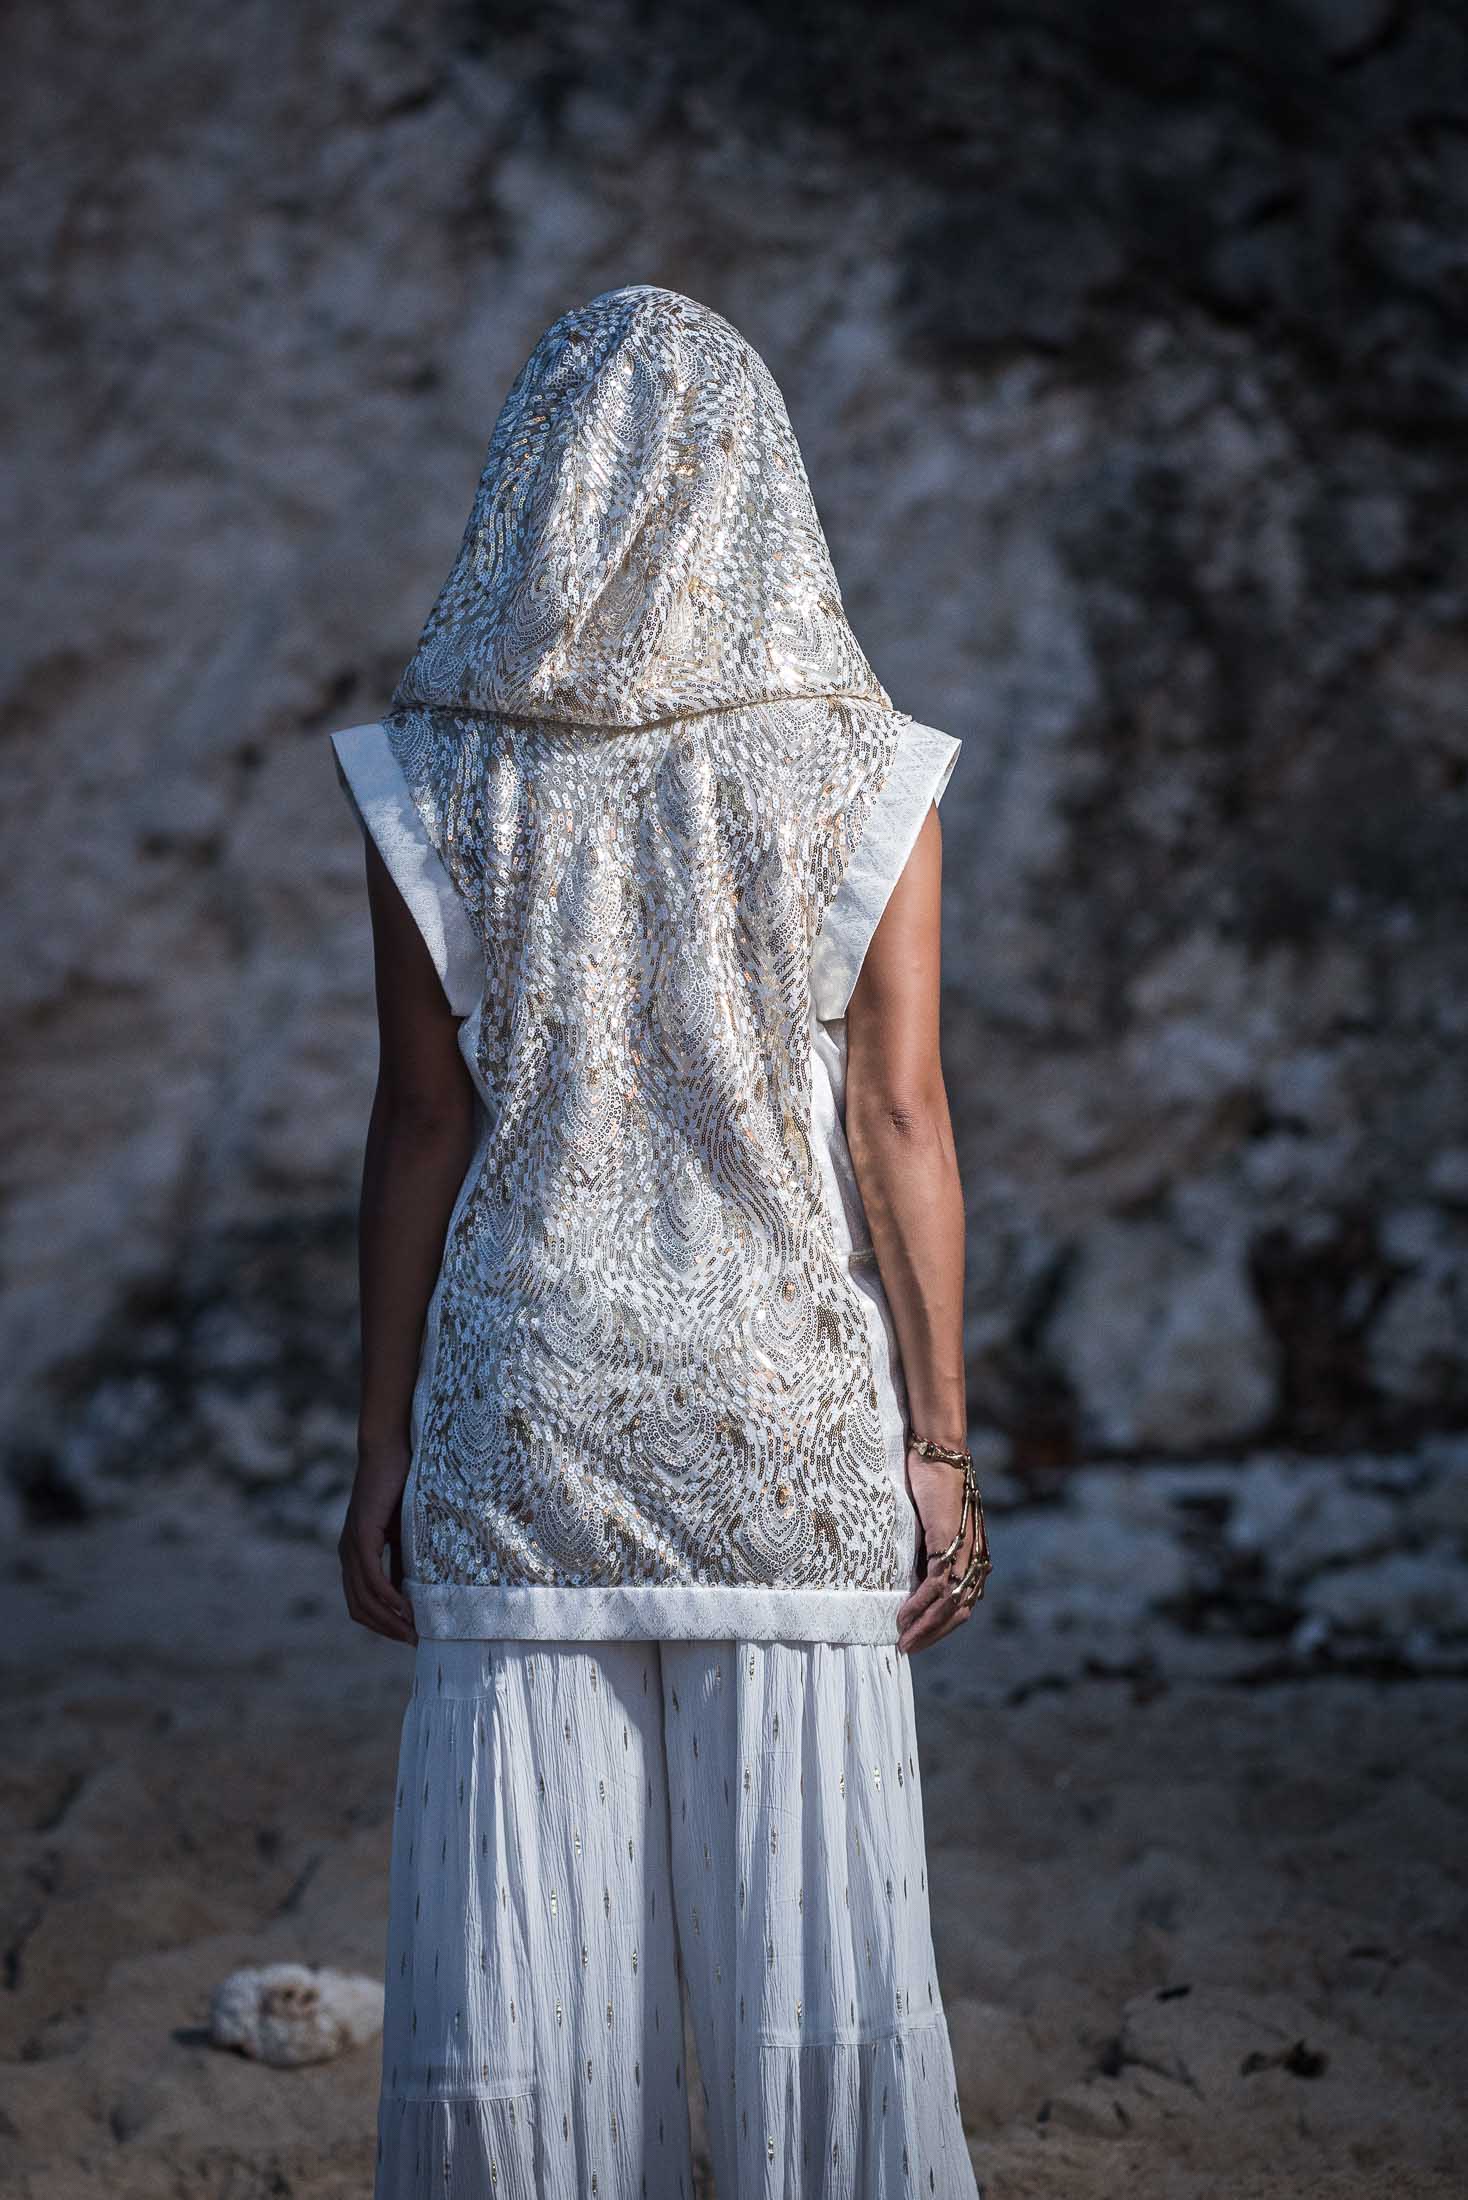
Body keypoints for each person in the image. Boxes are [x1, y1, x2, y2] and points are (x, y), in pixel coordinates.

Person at [328, 283, 989, 2198]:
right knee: (817, 1965)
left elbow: (422, 1122)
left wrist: (378, 1446)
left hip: (524, 1406)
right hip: (781, 1411)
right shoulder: (868, 774)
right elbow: (898, 1122)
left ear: (529, 481)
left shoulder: (430, 775)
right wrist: (941, 1444)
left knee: (526, 1973)